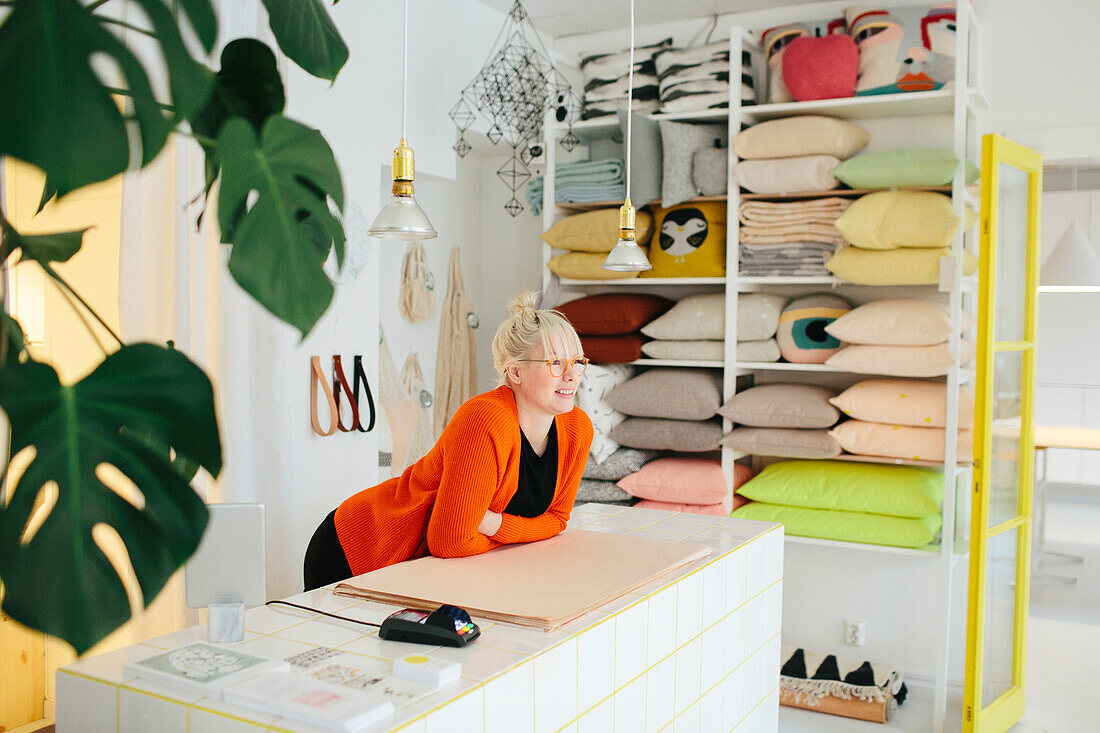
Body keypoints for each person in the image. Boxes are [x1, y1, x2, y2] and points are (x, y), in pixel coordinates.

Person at [303, 292, 594, 591]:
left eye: (577, 361)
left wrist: (494, 524)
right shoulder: (486, 419)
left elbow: (558, 520)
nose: (572, 375)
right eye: (555, 363)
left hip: (421, 570)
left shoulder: (577, 429)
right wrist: (523, 530)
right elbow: (451, 540)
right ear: (515, 371)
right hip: (359, 550)